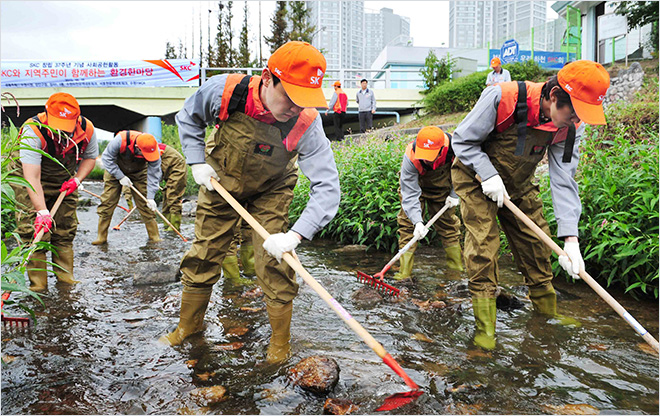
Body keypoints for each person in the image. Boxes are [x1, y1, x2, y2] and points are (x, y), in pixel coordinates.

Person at [160, 41, 341, 366]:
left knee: (274, 262)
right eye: (290, 97)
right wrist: (197, 162)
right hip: (220, 181)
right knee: (205, 253)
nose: (295, 108)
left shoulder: (307, 123)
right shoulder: (225, 92)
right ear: (267, 78)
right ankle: (188, 329)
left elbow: (328, 187)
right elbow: (187, 118)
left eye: (304, 101)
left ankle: (279, 345)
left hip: (273, 189)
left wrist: (295, 236)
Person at [451, 60, 610, 349]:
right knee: (484, 247)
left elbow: (563, 180)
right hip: (475, 177)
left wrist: (571, 240)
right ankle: (485, 333)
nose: (576, 121)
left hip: (518, 183)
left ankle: (547, 317)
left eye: (581, 115)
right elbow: (461, 141)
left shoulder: (569, 128)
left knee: (537, 245)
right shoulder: (503, 97)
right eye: (572, 112)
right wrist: (488, 175)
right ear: (553, 97)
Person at [12, 92, 98, 291]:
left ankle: (66, 282)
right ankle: (38, 286)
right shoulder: (32, 131)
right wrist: (42, 212)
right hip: (30, 178)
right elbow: (32, 178)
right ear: (47, 114)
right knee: (34, 231)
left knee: (65, 229)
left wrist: (77, 180)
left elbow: (90, 157)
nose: (63, 133)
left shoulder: (87, 129)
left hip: (63, 178)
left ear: (76, 119)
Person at [394, 126, 463, 282]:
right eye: (423, 155)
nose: (425, 159)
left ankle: (455, 274)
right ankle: (404, 275)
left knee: (449, 228)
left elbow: (465, 171)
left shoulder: (457, 146)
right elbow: (410, 194)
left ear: (442, 149)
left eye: (430, 155)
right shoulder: (411, 156)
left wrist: (454, 194)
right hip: (416, 187)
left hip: (444, 190)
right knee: (407, 227)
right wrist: (417, 222)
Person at [92, 130, 162, 245]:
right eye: (144, 153)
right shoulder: (120, 140)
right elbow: (106, 159)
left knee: (146, 206)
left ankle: (154, 238)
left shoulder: (154, 150)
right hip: (115, 170)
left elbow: (154, 175)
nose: (146, 156)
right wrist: (120, 176)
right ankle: (101, 237)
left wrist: (151, 197)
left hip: (139, 173)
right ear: (136, 147)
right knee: (107, 203)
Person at [157, 142, 187, 231]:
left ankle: (174, 227)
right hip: (166, 168)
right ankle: (166, 224)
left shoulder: (148, 147)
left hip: (176, 167)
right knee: (166, 196)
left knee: (173, 196)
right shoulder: (137, 152)